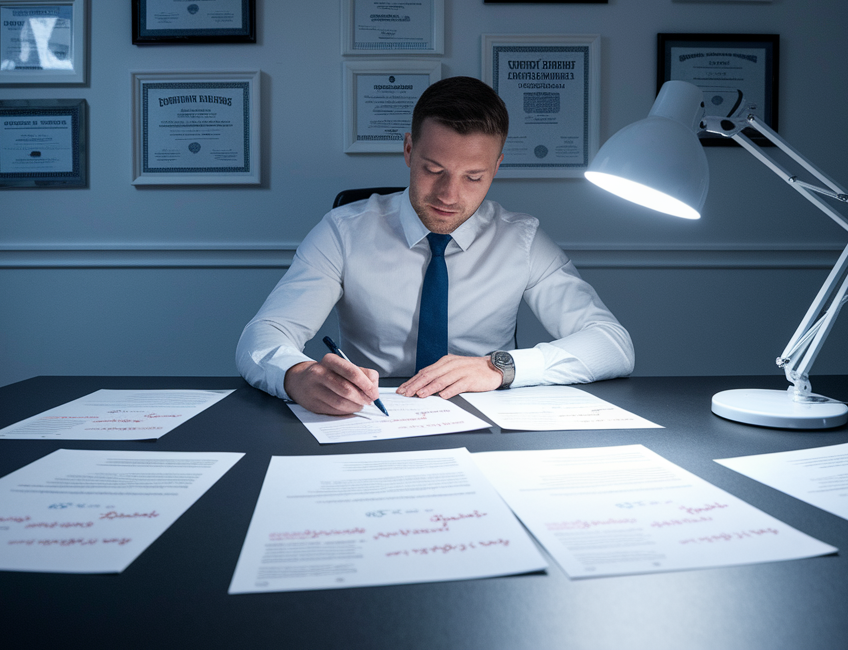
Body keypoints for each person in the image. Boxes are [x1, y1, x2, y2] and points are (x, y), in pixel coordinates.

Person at [235, 76, 633, 415]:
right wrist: (296, 376)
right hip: (370, 416)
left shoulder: (522, 239)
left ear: (496, 168)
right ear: (409, 151)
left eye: (473, 177)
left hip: (485, 417)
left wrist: (500, 368)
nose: (448, 194)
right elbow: (265, 335)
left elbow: (613, 345)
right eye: (433, 170)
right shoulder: (343, 230)